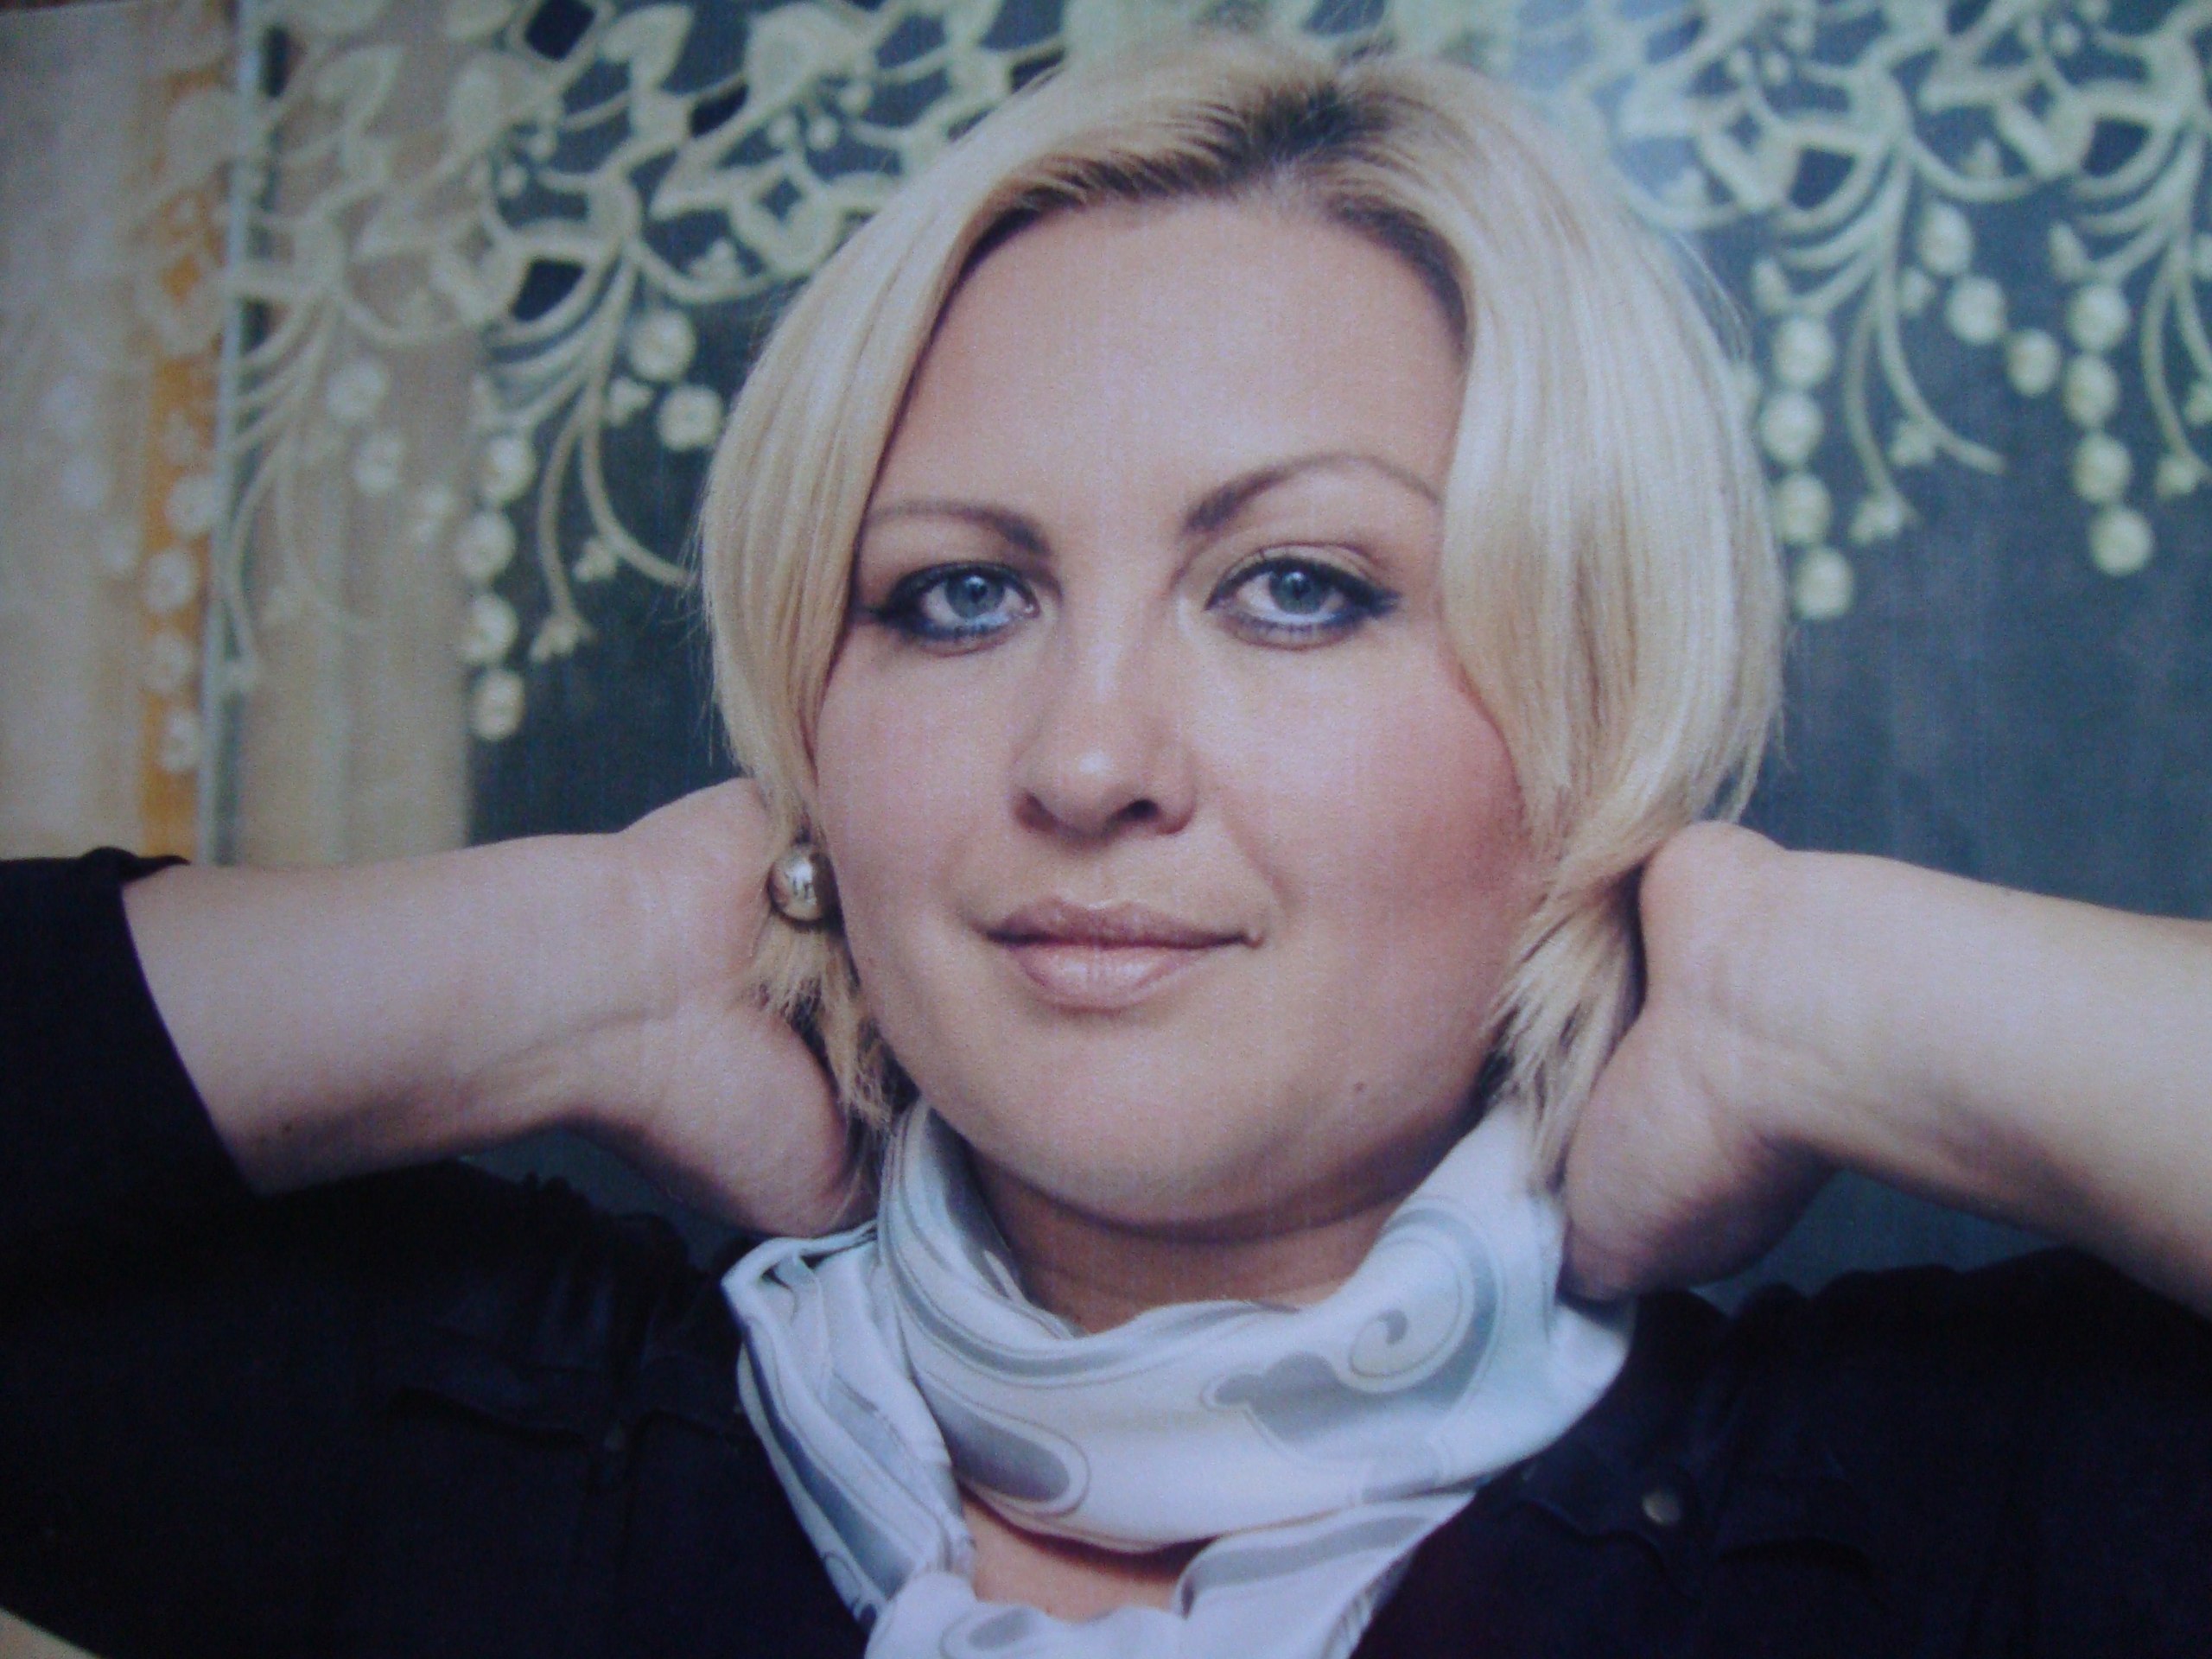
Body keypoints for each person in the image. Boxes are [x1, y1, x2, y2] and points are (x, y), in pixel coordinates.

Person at [4, 35, 2211, 1659]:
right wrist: (593, 954)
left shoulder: (1942, 1524)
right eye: (956, 595)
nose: (1083, 761)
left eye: (1296, 588)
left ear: (1580, 709)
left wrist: (1816, 990)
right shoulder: (477, 1449)